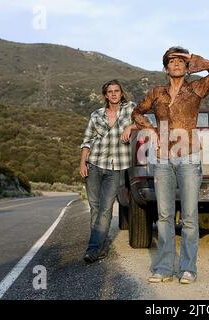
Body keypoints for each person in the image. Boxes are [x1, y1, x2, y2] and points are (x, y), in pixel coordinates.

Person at [132, 46, 209, 284]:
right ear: (165, 68)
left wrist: (192, 59)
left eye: (180, 61)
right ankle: (163, 268)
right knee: (164, 215)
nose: (175, 63)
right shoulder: (156, 93)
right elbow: (136, 112)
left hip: (189, 157)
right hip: (163, 158)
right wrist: (151, 130)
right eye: (171, 61)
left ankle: (187, 268)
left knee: (189, 216)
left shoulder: (196, 88)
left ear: (186, 68)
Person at [80, 79, 137, 264]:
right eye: (110, 91)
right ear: (105, 95)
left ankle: (93, 249)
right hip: (94, 164)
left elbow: (145, 121)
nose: (113, 94)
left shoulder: (130, 109)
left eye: (116, 91)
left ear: (121, 93)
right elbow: (87, 140)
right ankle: (99, 246)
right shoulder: (96, 114)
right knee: (95, 209)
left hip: (116, 167)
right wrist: (82, 163)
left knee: (105, 209)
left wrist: (130, 126)